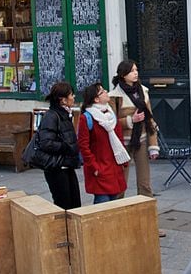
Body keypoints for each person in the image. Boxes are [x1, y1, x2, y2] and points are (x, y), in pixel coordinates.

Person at [107, 60, 160, 198]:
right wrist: (130, 120)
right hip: (122, 144)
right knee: (121, 182)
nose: (135, 73)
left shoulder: (143, 91)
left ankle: (146, 210)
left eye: (136, 70)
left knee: (145, 182)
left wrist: (153, 146)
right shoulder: (114, 96)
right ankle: (119, 209)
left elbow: (150, 119)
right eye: (132, 71)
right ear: (123, 75)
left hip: (140, 140)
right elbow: (111, 123)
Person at [77, 82, 129, 203]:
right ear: (96, 99)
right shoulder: (87, 118)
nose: (106, 91)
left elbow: (119, 138)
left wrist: (123, 160)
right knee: (102, 202)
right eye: (102, 91)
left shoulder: (111, 115)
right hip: (100, 168)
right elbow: (83, 146)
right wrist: (95, 167)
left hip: (114, 167)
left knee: (113, 201)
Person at [36, 81, 82, 210]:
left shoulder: (66, 114)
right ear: (63, 100)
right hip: (56, 167)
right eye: (71, 95)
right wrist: (66, 147)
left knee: (75, 205)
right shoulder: (51, 116)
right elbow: (46, 143)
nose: (73, 97)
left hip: (66, 165)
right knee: (64, 206)